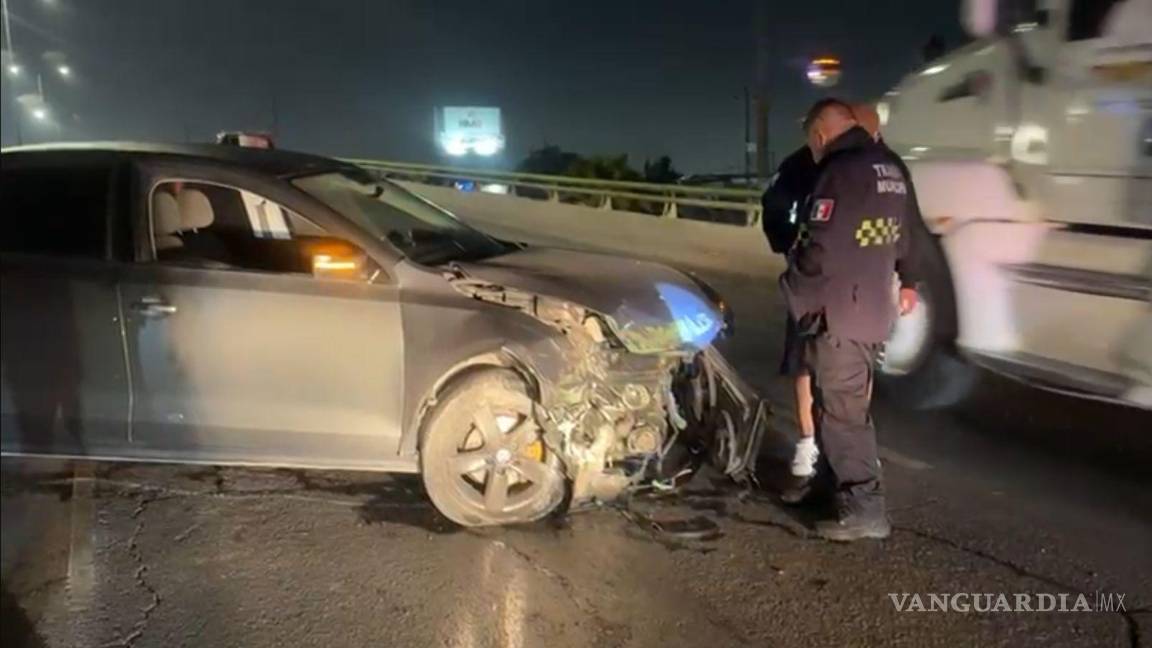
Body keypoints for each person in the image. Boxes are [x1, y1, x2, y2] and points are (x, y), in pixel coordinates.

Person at [779, 98, 917, 542]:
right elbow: (904, 238)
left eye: (812, 143)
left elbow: (821, 246)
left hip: (839, 309)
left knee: (842, 411)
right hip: (873, 305)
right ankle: (831, 490)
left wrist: (793, 284)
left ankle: (863, 508)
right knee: (833, 402)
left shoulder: (839, 171)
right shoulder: (889, 169)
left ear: (820, 135)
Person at [761, 146, 822, 478]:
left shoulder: (873, 160)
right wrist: (790, 246)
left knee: (853, 361)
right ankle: (809, 441)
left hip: (859, 279)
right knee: (805, 359)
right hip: (813, 279)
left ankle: (847, 443)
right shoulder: (800, 163)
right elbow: (775, 206)